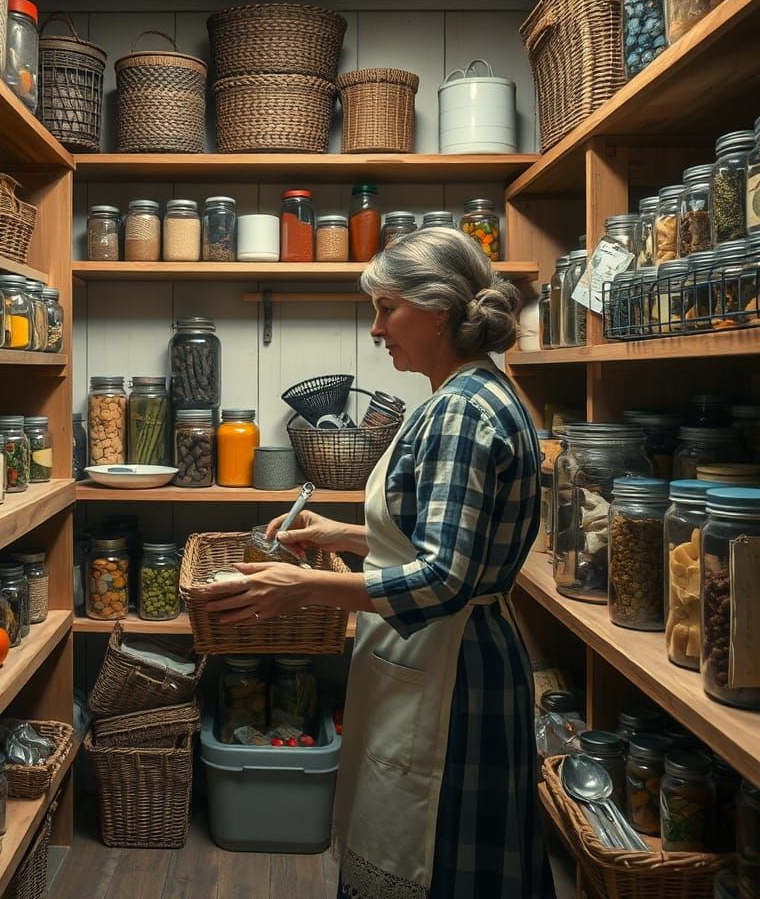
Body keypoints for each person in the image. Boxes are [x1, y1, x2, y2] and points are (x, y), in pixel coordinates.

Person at [205, 227, 556, 899]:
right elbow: (442, 541)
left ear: (440, 310)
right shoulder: (467, 395)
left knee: (437, 857)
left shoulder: (460, 412)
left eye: (387, 309)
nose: (375, 329)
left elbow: (445, 579)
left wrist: (302, 589)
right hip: (451, 654)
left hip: (454, 672)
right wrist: (338, 533)